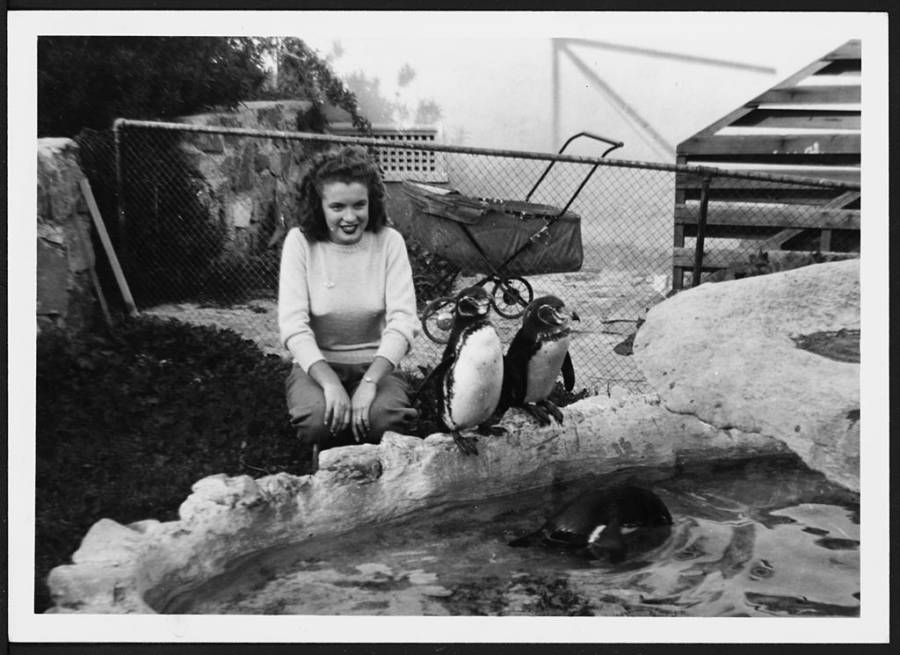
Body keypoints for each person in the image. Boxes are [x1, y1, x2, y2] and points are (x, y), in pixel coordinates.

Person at [278, 146, 421, 471]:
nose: (350, 217)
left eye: (359, 205)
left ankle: (377, 471)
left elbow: (403, 322)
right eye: (337, 206)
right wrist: (330, 383)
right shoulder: (300, 243)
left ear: (372, 202)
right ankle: (326, 458)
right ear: (319, 206)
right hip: (318, 365)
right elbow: (293, 326)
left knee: (384, 419)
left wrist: (369, 384)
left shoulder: (390, 242)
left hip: (377, 365)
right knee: (318, 420)